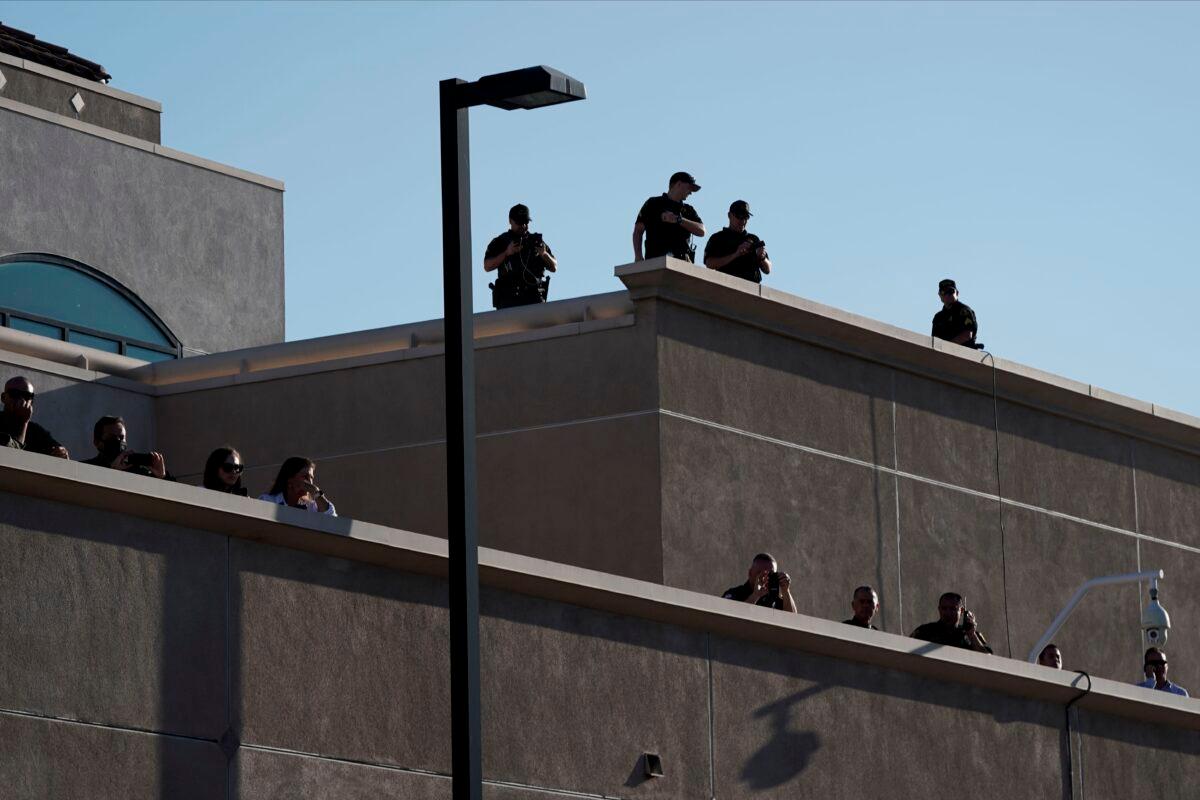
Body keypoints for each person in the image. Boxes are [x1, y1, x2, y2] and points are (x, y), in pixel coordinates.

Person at [483, 203, 557, 309]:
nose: (523, 226)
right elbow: (487, 266)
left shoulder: (535, 241)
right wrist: (506, 253)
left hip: (534, 300)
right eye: (519, 222)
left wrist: (544, 254)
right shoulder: (501, 242)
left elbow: (554, 267)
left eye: (525, 222)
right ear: (510, 221)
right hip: (509, 301)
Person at [633, 172, 706, 262]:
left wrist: (678, 219)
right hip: (656, 261)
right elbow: (638, 231)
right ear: (679, 184)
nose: (690, 192)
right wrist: (638, 257)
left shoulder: (688, 210)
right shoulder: (653, 203)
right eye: (689, 188)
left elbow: (701, 231)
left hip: (682, 263)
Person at [80, 415, 172, 480]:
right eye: (112, 438)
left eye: (121, 438)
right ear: (97, 442)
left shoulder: (138, 471)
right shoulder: (85, 469)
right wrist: (112, 474)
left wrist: (162, 477)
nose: (118, 442)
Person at [703, 200, 772, 284]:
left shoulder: (754, 239)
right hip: (727, 287)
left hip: (751, 289)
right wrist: (735, 254)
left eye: (746, 217)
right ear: (729, 215)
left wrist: (762, 257)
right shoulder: (718, 238)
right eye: (739, 215)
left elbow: (768, 269)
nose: (742, 220)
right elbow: (709, 264)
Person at [0, 376, 69, 457]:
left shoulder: (36, 431)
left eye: (27, 396)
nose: (21, 400)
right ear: (3, 397)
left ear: (31, 402)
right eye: (15, 394)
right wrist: (23, 422)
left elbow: (60, 454)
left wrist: (62, 452)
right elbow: (10, 456)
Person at [911, 592, 993, 653]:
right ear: (939, 609)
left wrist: (972, 635)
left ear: (961, 611)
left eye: (953, 609)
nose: (948, 613)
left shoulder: (970, 636)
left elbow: (987, 660)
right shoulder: (925, 631)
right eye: (944, 608)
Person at [721, 552, 797, 613]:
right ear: (750, 573)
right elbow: (729, 617)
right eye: (760, 573)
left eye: (770, 574)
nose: (765, 577)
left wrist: (786, 591)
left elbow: (793, 621)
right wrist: (755, 595)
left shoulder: (774, 597)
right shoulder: (735, 594)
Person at [259, 456, 336, 516]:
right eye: (305, 476)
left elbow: (332, 520)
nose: (310, 482)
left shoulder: (312, 507)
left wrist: (316, 492)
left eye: (311, 478)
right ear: (290, 479)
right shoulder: (268, 501)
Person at [931, 279, 980, 348]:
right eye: (943, 292)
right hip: (943, 355)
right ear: (940, 295)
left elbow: (967, 335)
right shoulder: (938, 317)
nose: (947, 294)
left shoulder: (964, 311)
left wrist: (946, 346)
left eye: (950, 291)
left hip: (963, 353)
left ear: (957, 293)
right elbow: (934, 341)